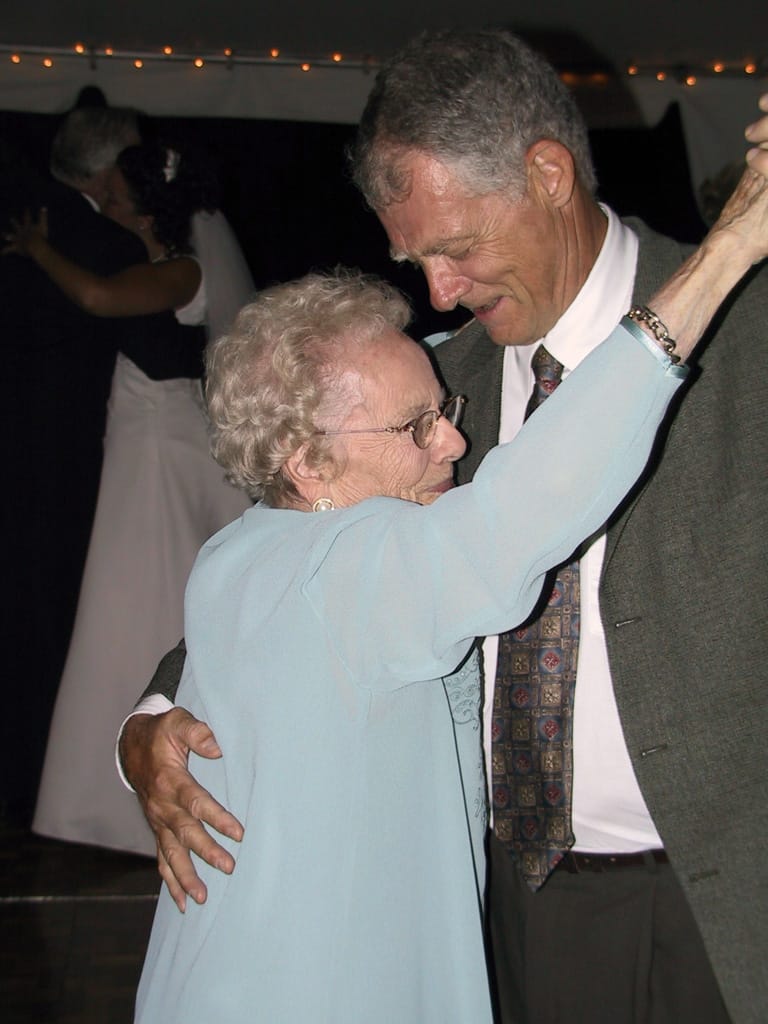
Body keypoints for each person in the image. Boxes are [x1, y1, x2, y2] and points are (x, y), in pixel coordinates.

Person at [121, 35, 768, 1023]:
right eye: (415, 259)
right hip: (509, 904)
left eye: (454, 248)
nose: (438, 293)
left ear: (548, 175)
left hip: (724, 894)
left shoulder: (750, 327)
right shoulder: (434, 378)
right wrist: (150, 722)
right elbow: (279, 561)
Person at [6, 141, 252, 855]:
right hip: (140, 438)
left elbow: (97, 298)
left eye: (115, 196)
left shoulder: (182, 270)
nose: (106, 205)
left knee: (141, 594)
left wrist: (35, 248)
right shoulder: (150, 261)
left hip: (161, 443)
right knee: (125, 597)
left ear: (149, 207)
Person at [0, 107, 188, 824]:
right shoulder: (102, 239)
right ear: (109, 169)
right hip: (69, 457)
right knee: (61, 607)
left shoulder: (52, 225)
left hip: (68, 448)